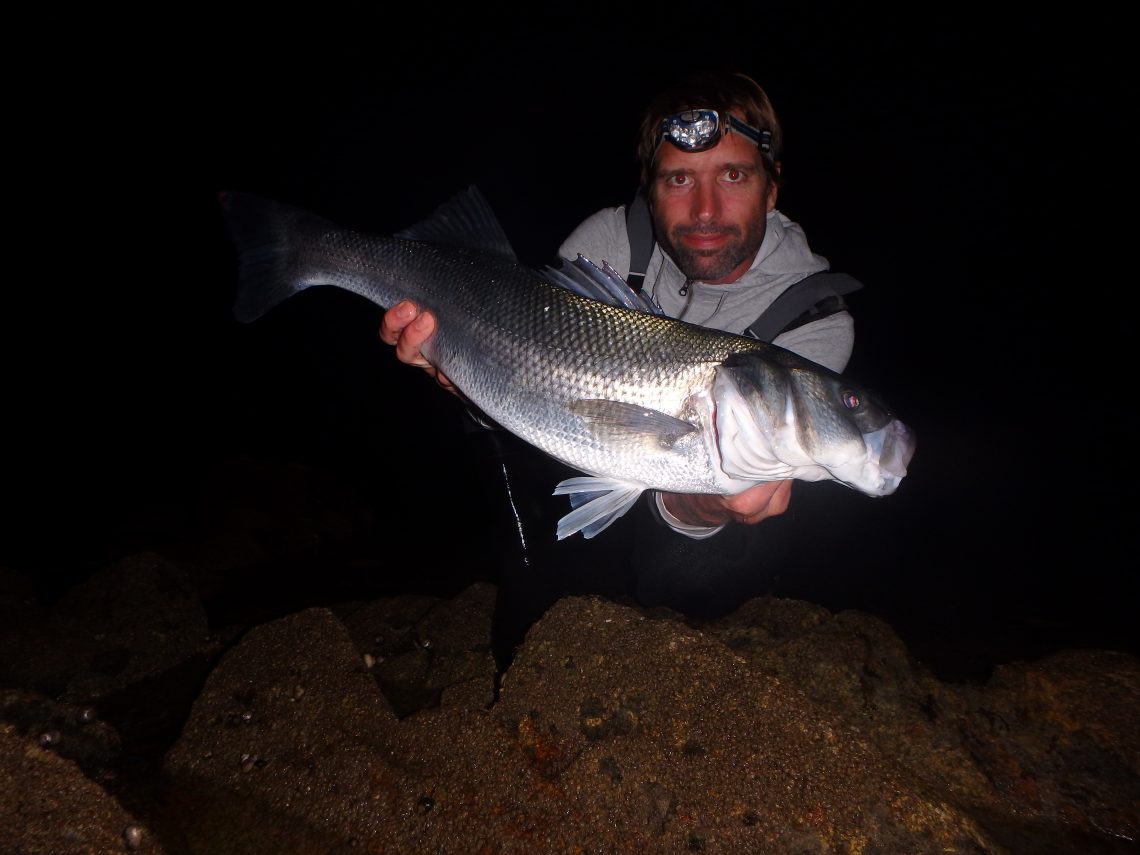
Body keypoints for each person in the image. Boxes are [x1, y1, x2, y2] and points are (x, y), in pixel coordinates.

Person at [379, 70, 861, 647]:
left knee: (695, 572)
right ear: (649, 189)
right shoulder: (606, 245)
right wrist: (458, 373)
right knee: (521, 523)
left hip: (693, 484)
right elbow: (533, 379)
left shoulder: (815, 320)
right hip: (568, 430)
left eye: (733, 175)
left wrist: (699, 507)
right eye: (678, 179)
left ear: (772, 187)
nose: (706, 209)